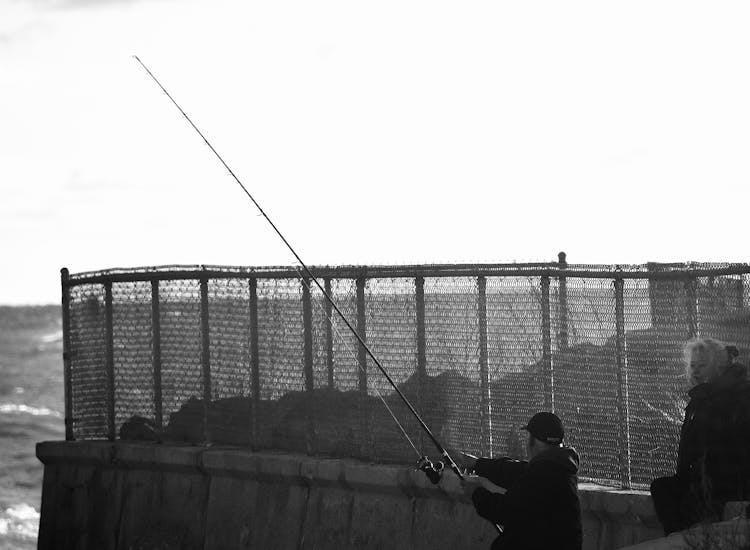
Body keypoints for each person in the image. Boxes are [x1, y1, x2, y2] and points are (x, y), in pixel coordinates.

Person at [650, 337, 750, 535]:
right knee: (663, 488)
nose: (695, 371)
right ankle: (679, 537)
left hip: (729, 479)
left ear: (718, 367)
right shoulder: (701, 397)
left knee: (674, 494)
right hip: (706, 476)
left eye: (702, 366)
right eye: (693, 365)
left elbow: (720, 442)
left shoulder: (734, 395)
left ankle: (682, 537)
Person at [461, 411, 582, 550]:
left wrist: (475, 493)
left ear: (533, 441)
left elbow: (506, 511)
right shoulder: (560, 470)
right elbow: (513, 471)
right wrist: (477, 464)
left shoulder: (541, 476)